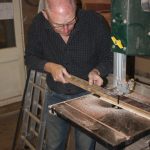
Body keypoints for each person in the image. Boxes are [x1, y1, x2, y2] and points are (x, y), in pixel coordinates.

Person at [25, 0, 113, 149]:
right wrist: (49, 66)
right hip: (55, 95)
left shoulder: (95, 21)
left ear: (76, 8)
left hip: (87, 97)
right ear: (46, 15)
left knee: (86, 146)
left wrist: (97, 70)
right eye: (58, 25)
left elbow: (109, 56)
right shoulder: (38, 24)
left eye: (71, 22)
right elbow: (30, 57)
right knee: (54, 145)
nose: (66, 30)